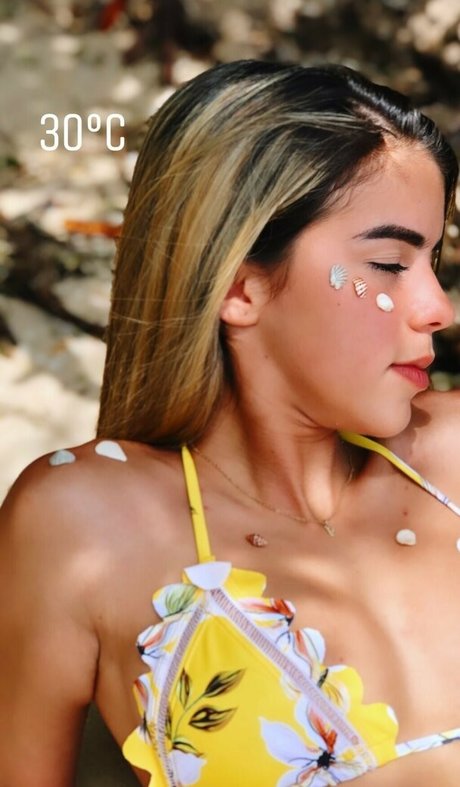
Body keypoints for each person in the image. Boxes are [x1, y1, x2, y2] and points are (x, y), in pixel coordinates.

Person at [1, 60, 459, 787]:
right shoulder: (86, 525)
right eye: (387, 263)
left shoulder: (452, 456)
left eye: (433, 260)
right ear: (241, 288)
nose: (438, 307)